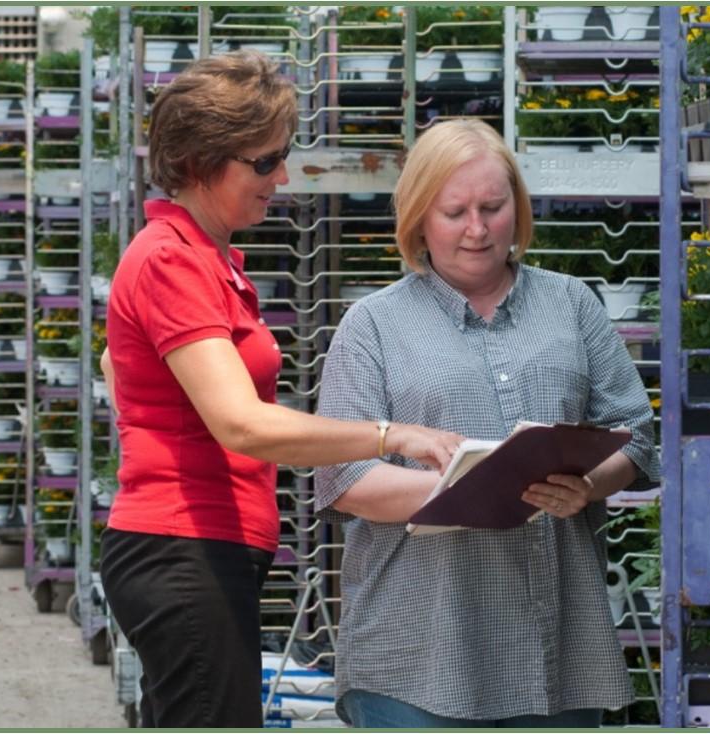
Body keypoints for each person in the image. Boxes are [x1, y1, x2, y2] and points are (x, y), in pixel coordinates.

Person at [98, 51, 459, 729]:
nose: (281, 176)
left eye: (281, 156)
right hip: (183, 546)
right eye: (263, 162)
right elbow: (243, 425)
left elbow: (121, 369)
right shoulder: (173, 259)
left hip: (200, 546)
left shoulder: (203, 260)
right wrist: (390, 435)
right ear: (203, 162)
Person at [315, 118, 661, 728]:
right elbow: (347, 480)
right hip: (419, 654)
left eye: (493, 207)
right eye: (454, 212)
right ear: (419, 218)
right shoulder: (372, 326)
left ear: (518, 210)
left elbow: (634, 431)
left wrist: (589, 484)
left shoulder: (572, 305)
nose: (477, 229)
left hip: (556, 649)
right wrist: (476, 486)